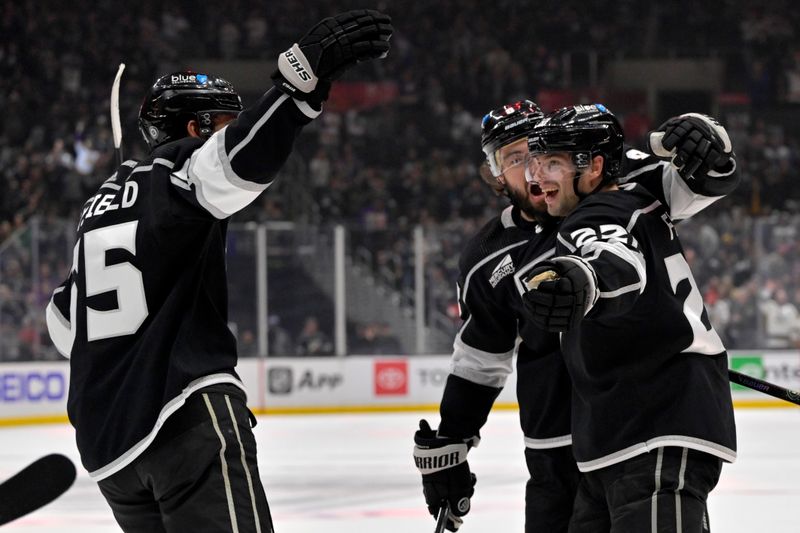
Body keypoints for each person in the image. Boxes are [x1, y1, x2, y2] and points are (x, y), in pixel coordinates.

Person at [45, 10, 392, 533]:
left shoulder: (98, 209)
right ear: (193, 128)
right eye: (224, 122)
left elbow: (63, 321)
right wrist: (298, 86)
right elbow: (238, 162)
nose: (232, 129)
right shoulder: (179, 170)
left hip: (112, 450)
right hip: (183, 417)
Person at [412, 101, 741, 532]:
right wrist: (452, 440)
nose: (532, 170)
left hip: (640, 421)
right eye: (514, 159)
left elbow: (698, 184)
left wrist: (706, 143)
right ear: (495, 175)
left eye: (540, 154)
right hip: (564, 445)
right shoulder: (486, 256)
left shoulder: (615, 188)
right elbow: (480, 360)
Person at [521, 105, 737, 531]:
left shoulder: (596, 213)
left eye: (552, 164)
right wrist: (712, 141)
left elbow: (618, 264)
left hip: (655, 421)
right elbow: (711, 174)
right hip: (618, 435)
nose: (536, 178)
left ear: (595, 166)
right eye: (534, 162)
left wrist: (585, 281)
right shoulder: (635, 189)